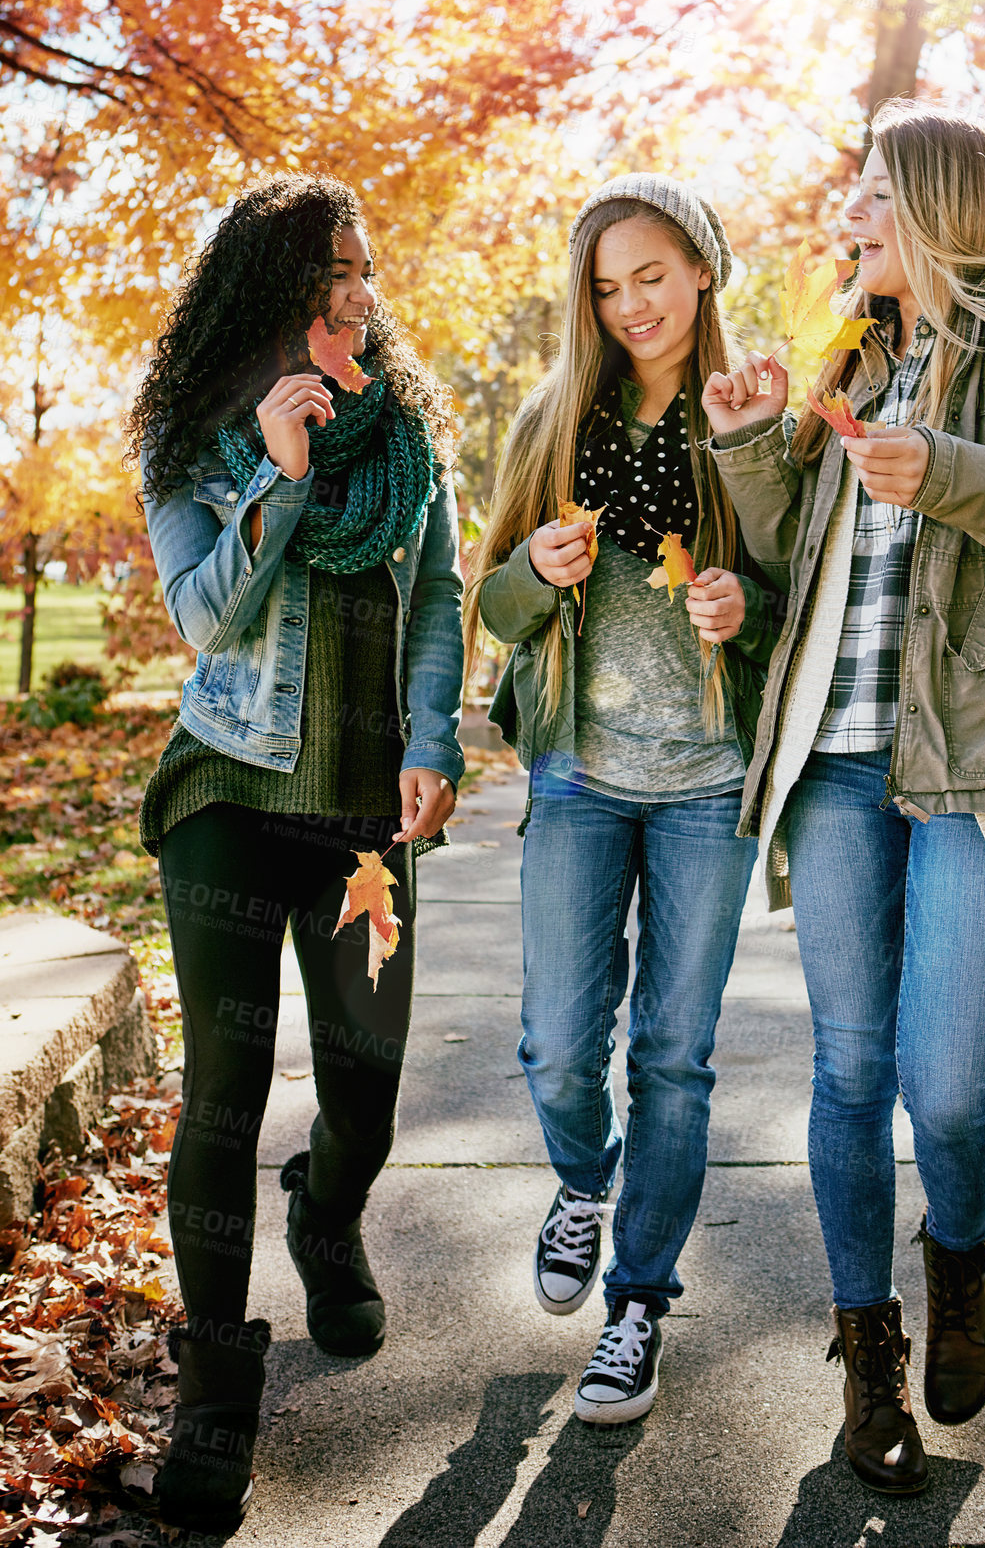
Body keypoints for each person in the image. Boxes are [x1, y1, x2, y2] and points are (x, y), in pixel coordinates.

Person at [703, 100, 985, 1493]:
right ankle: (869, 1356)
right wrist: (751, 445)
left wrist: (947, 473)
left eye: (877, 193)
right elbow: (803, 564)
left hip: (983, 755)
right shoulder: (862, 352)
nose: (854, 214)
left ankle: (959, 1257)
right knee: (847, 1068)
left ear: (942, 204)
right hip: (839, 759)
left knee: (947, 1087)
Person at [127, 173, 464, 1531]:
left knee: (368, 1077)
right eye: (331, 269)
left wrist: (431, 735)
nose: (356, 290)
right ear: (268, 292)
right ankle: (213, 1394)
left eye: (362, 267)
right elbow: (204, 621)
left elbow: (437, 597)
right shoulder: (196, 447)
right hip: (227, 800)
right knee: (220, 1087)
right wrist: (276, 471)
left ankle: (327, 1212)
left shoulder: (408, 445)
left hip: (361, 830)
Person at [465, 174, 776, 1424]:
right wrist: (535, 572)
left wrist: (744, 611)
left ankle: (639, 1301)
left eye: (652, 274)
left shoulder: (752, 414)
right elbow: (490, 603)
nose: (632, 303)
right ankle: (583, 1180)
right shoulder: (556, 417)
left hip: (709, 781)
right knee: (554, 1045)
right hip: (582, 775)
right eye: (607, 285)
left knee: (677, 1058)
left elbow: (799, 595)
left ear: (702, 268)